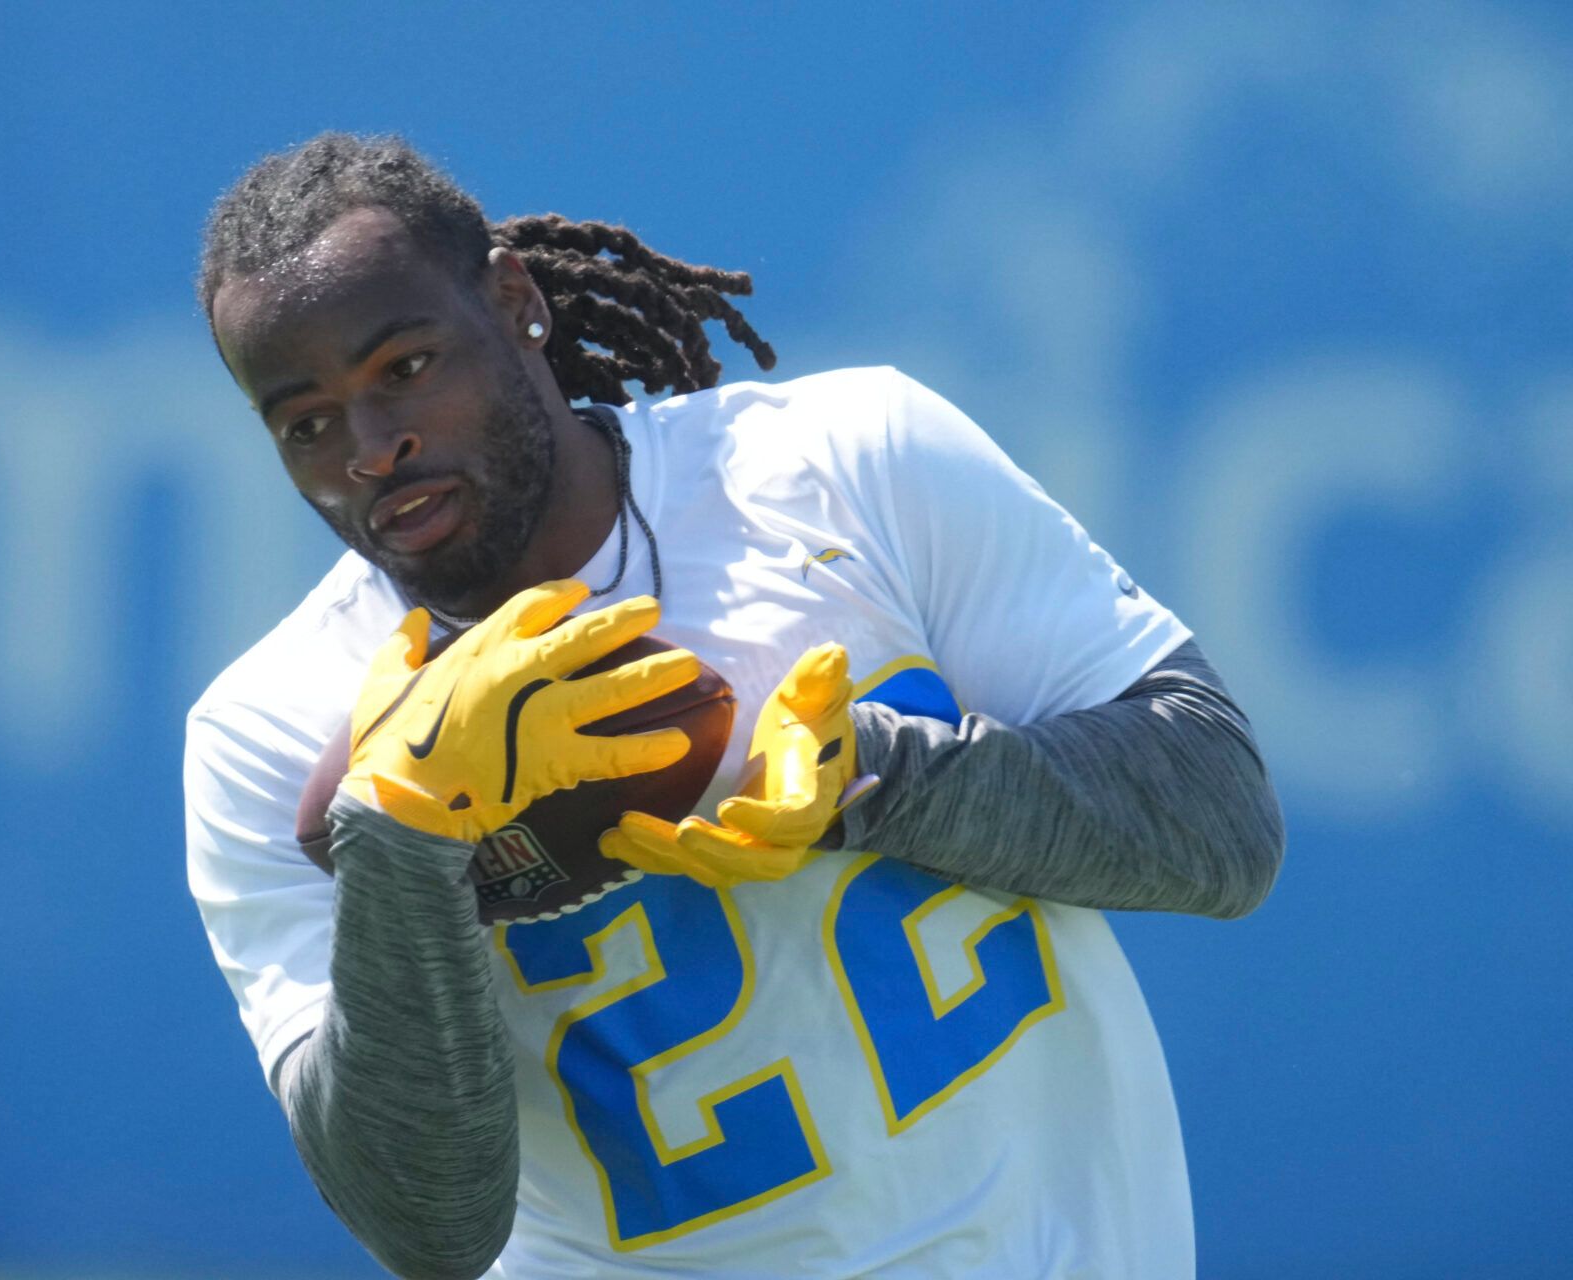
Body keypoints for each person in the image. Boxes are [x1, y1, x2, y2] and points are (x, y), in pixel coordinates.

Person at [184, 133, 1284, 1280]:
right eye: (305, 421)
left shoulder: (849, 460)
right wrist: (404, 842)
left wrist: (872, 774)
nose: (370, 449)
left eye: (406, 366)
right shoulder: (267, 729)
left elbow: (1221, 826)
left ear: (514, 300)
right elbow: (426, 1226)